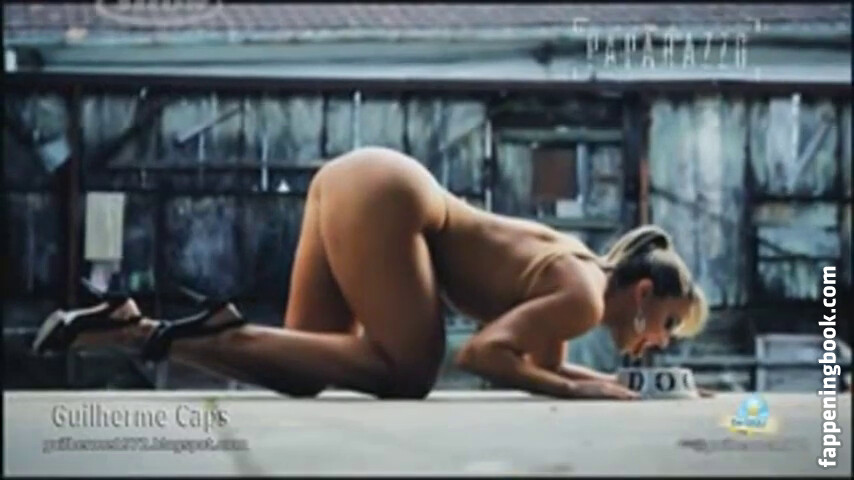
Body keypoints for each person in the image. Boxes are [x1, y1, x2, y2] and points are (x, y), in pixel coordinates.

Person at [33, 147, 708, 400]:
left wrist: (628, 388)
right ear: (644, 292)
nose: (662, 341)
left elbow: (542, 369)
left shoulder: (578, 279)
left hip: (360, 179)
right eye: (670, 324)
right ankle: (210, 329)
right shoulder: (584, 298)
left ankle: (133, 329)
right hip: (394, 197)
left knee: (306, 368)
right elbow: (484, 355)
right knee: (409, 372)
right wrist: (583, 395)